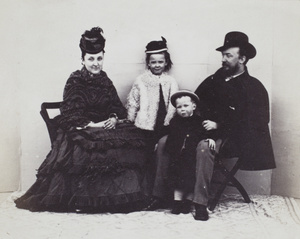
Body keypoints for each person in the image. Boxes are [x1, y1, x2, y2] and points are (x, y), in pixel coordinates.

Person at [15, 27, 151, 213]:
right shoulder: (75, 80)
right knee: (87, 147)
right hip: (81, 127)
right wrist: (94, 125)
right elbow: (71, 112)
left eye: (99, 58)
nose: (96, 63)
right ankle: (89, 199)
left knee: (132, 139)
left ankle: (116, 198)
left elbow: (116, 107)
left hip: (104, 127)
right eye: (91, 59)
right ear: (82, 59)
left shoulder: (105, 80)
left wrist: (112, 118)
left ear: (103, 58)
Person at [146, 31, 276, 221]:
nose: (223, 59)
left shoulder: (254, 88)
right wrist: (188, 128)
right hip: (199, 130)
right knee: (165, 141)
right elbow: (195, 107)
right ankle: (160, 196)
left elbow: (256, 123)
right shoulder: (213, 81)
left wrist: (219, 125)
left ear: (243, 58)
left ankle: (200, 203)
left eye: (228, 55)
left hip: (231, 138)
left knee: (204, 147)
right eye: (222, 55)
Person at [165, 90, 217, 216]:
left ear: (193, 106)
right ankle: (177, 203)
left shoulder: (199, 121)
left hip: (191, 156)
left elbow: (205, 132)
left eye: (185, 106)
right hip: (177, 156)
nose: (182, 109)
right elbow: (168, 133)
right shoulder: (174, 121)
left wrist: (210, 138)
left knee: (190, 179)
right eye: (179, 107)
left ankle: (188, 202)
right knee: (177, 179)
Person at [126, 36, 179, 145]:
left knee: (162, 147)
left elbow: (174, 103)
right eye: (153, 62)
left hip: (164, 122)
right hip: (146, 124)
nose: (157, 65)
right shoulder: (141, 80)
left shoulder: (170, 81)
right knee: (147, 149)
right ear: (148, 63)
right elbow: (133, 101)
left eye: (160, 62)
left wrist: (170, 120)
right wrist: (130, 119)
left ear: (165, 62)